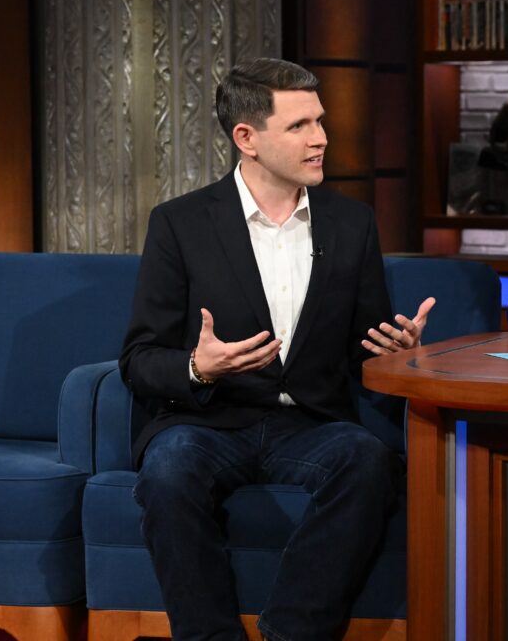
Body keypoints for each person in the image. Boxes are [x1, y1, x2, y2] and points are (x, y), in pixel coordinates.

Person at [120, 57, 434, 641]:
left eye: (320, 121)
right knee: (168, 471)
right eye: (299, 126)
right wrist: (198, 367)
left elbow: (363, 350)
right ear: (247, 138)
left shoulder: (352, 223)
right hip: (208, 423)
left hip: (310, 425)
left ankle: (290, 634)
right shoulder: (180, 223)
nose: (321, 138)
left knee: (368, 461)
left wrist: (397, 351)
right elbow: (139, 359)